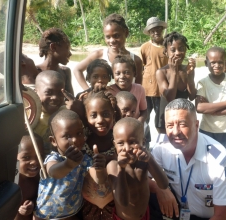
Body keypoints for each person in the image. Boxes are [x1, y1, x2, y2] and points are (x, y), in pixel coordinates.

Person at [149, 98, 226, 220]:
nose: (176, 132)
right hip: (180, 212)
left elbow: (222, 216)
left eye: (182, 124)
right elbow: (143, 178)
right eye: (170, 125)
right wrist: (160, 189)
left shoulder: (219, 160)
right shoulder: (162, 148)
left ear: (196, 125)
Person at [34, 109, 106, 220]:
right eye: (67, 136)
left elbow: (98, 181)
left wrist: (100, 169)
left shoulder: (85, 160)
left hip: (70, 215)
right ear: (53, 141)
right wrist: (69, 164)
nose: (75, 140)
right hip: (44, 216)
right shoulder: (53, 158)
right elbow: (53, 172)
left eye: (79, 133)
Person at [107, 117, 168, 220]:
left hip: (145, 215)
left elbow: (164, 184)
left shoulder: (144, 162)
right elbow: (123, 202)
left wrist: (150, 159)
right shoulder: (113, 166)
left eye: (132, 142)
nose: (126, 148)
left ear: (143, 142)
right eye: (120, 143)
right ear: (114, 144)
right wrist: (121, 169)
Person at [78, 88, 121, 220]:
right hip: (88, 205)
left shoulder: (118, 141)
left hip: (113, 204)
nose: (100, 120)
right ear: (86, 117)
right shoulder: (81, 141)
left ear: (113, 115)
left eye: (106, 114)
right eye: (93, 115)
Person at [74, 13, 143, 90]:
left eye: (116, 36)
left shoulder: (136, 60)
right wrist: (88, 91)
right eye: (108, 37)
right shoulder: (98, 55)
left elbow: (138, 90)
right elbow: (77, 70)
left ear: (126, 33)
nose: (112, 40)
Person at [156, 31, 196, 134]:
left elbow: (192, 96)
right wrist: (174, 72)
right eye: (173, 50)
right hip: (165, 120)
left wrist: (190, 76)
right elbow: (170, 98)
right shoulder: (161, 72)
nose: (178, 53)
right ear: (166, 52)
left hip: (182, 117)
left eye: (181, 49)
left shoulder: (187, 69)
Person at [141, 17, 168, 130]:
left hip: (161, 90)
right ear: (149, 33)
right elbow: (142, 66)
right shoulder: (145, 47)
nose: (156, 32)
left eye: (158, 29)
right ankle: (144, 141)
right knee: (144, 118)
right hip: (146, 89)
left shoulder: (168, 46)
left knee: (161, 119)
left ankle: (161, 142)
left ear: (162, 29)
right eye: (153, 30)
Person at [33, 70, 66, 155]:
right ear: (35, 92)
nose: (55, 97)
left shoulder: (66, 113)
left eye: (60, 93)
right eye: (49, 92)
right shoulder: (31, 115)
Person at [108, 55, 147, 124]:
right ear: (113, 76)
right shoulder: (109, 91)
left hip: (135, 126)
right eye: (117, 73)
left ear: (134, 73)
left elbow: (144, 111)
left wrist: (139, 123)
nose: (122, 76)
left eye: (127, 72)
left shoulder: (139, 89)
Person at [15, 132, 44, 220]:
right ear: (14, 157)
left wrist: (33, 203)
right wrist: (19, 211)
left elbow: (43, 198)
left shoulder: (41, 176)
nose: (34, 162)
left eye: (39, 156)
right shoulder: (11, 182)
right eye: (26, 157)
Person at [37, 27, 74, 95]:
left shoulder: (65, 72)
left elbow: (70, 100)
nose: (70, 54)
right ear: (53, 47)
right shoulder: (36, 71)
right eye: (67, 48)